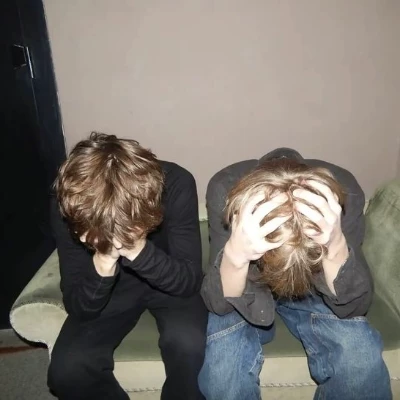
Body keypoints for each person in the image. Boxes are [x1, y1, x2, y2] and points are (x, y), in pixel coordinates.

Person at [198, 148, 392, 400]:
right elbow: (218, 304)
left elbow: (354, 306)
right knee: (223, 375)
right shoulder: (225, 187)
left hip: (315, 291)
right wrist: (236, 255)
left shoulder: (344, 191)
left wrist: (335, 246)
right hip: (246, 286)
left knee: (360, 358)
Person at [47, 132, 207, 400]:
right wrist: (103, 262)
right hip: (110, 288)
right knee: (67, 370)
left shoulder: (176, 183)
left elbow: (189, 281)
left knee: (188, 344)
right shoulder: (70, 202)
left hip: (168, 274)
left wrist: (136, 249)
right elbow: (78, 306)